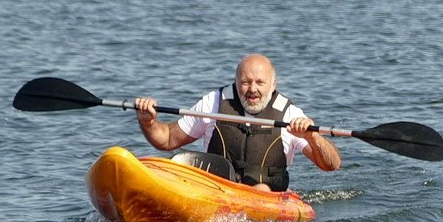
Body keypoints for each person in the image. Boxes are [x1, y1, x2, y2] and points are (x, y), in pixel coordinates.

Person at [133, 53, 341, 192]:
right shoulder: (214, 103)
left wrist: (311, 137)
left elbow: (331, 165)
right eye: (245, 82)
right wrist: (148, 122)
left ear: (273, 84)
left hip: (266, 197)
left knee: (261, 189)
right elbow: (167, 140)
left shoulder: (290, 114)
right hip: (216, 190)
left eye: (260, 82)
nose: (252, 89)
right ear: (236, 81)